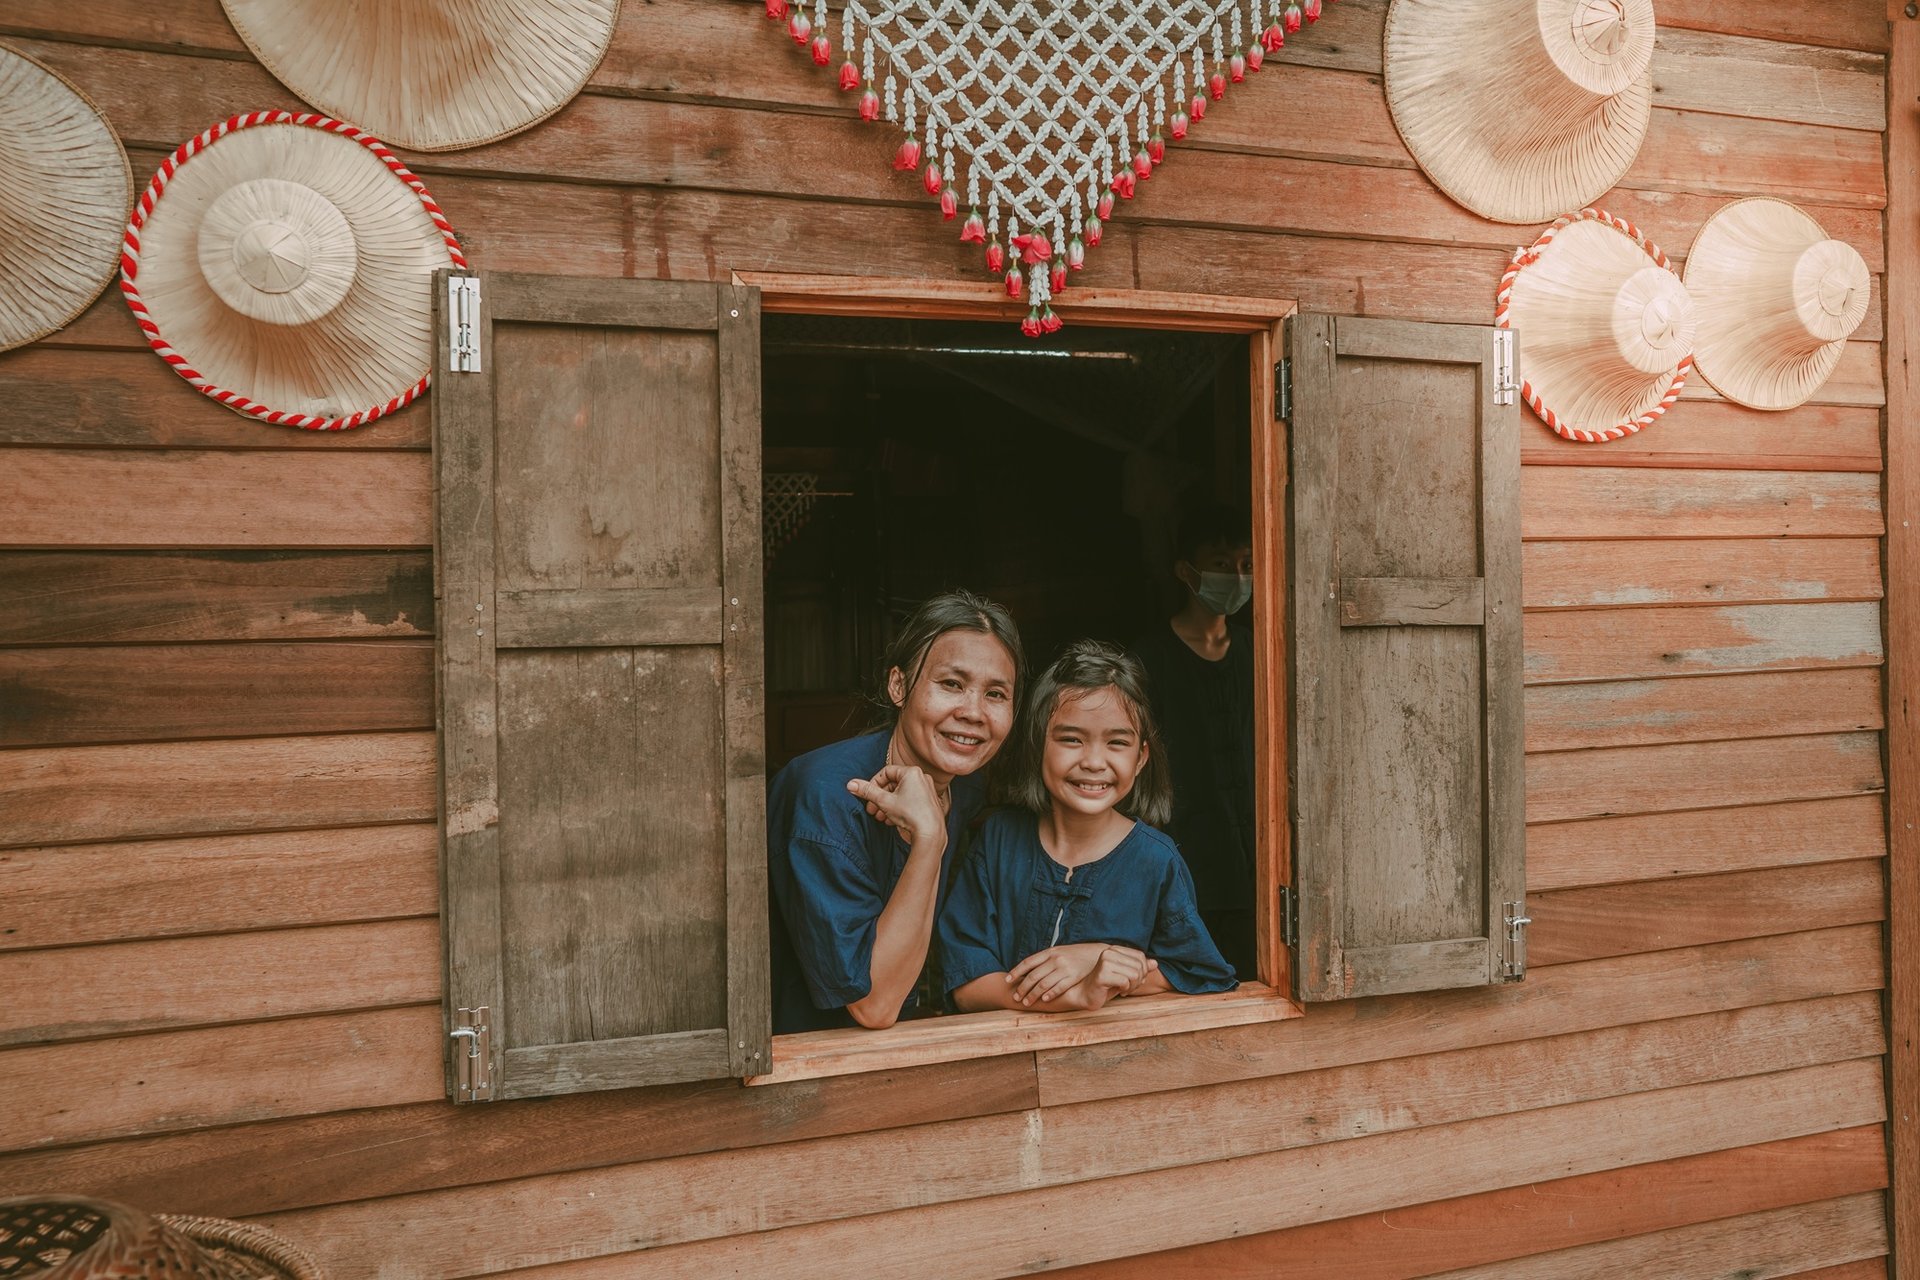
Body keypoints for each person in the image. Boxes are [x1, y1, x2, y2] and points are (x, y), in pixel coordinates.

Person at [766, 590, 1024, 1033]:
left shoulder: (967, 786)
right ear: (899, 686)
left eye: (996, 694)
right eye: (951, 684)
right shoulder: (827, 798)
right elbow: (874, 1006)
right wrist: (930, 840)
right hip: (800, 1058)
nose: (973, 712)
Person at [938, 640, 1236, 1013]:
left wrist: (1102, 959)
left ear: (1141, 757)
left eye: (1117, 743)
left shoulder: (1156, 862)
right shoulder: (998, 839)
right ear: (1037, 745)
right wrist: (1075, 995)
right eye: (1072, 739)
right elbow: (967, 984)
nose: (1094, 762)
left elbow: (1197, 972)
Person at [1129, 503, 1258, 980]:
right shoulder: (1149, 657)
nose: (1237, 577)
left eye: (1247, 565)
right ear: (1186, 570)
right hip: (1187, 854)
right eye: (1222, 564)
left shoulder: (1258, 649)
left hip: (1257, 860)